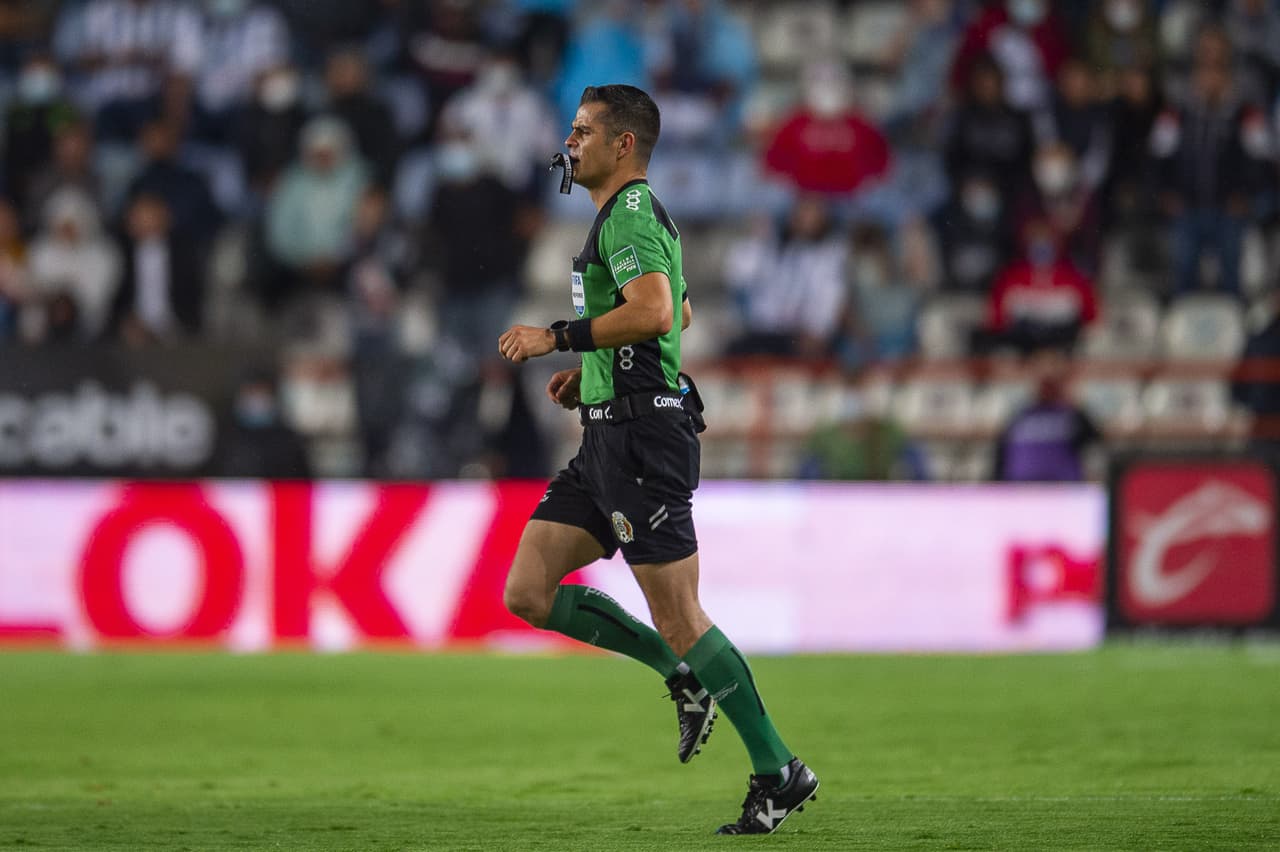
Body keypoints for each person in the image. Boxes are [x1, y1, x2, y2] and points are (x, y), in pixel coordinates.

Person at [496, 84, 819, 835]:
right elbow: (678, 309)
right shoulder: (620, 220)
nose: (569, 144)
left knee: (679, 615)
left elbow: (656, 311)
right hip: (608, 433)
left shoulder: (633, 212)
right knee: (529, 591)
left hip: (644, 441)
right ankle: (681, 678)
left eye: (582, 133)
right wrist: (597, 372)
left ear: (623, 146)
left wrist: (560, 336)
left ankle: (779, 770)